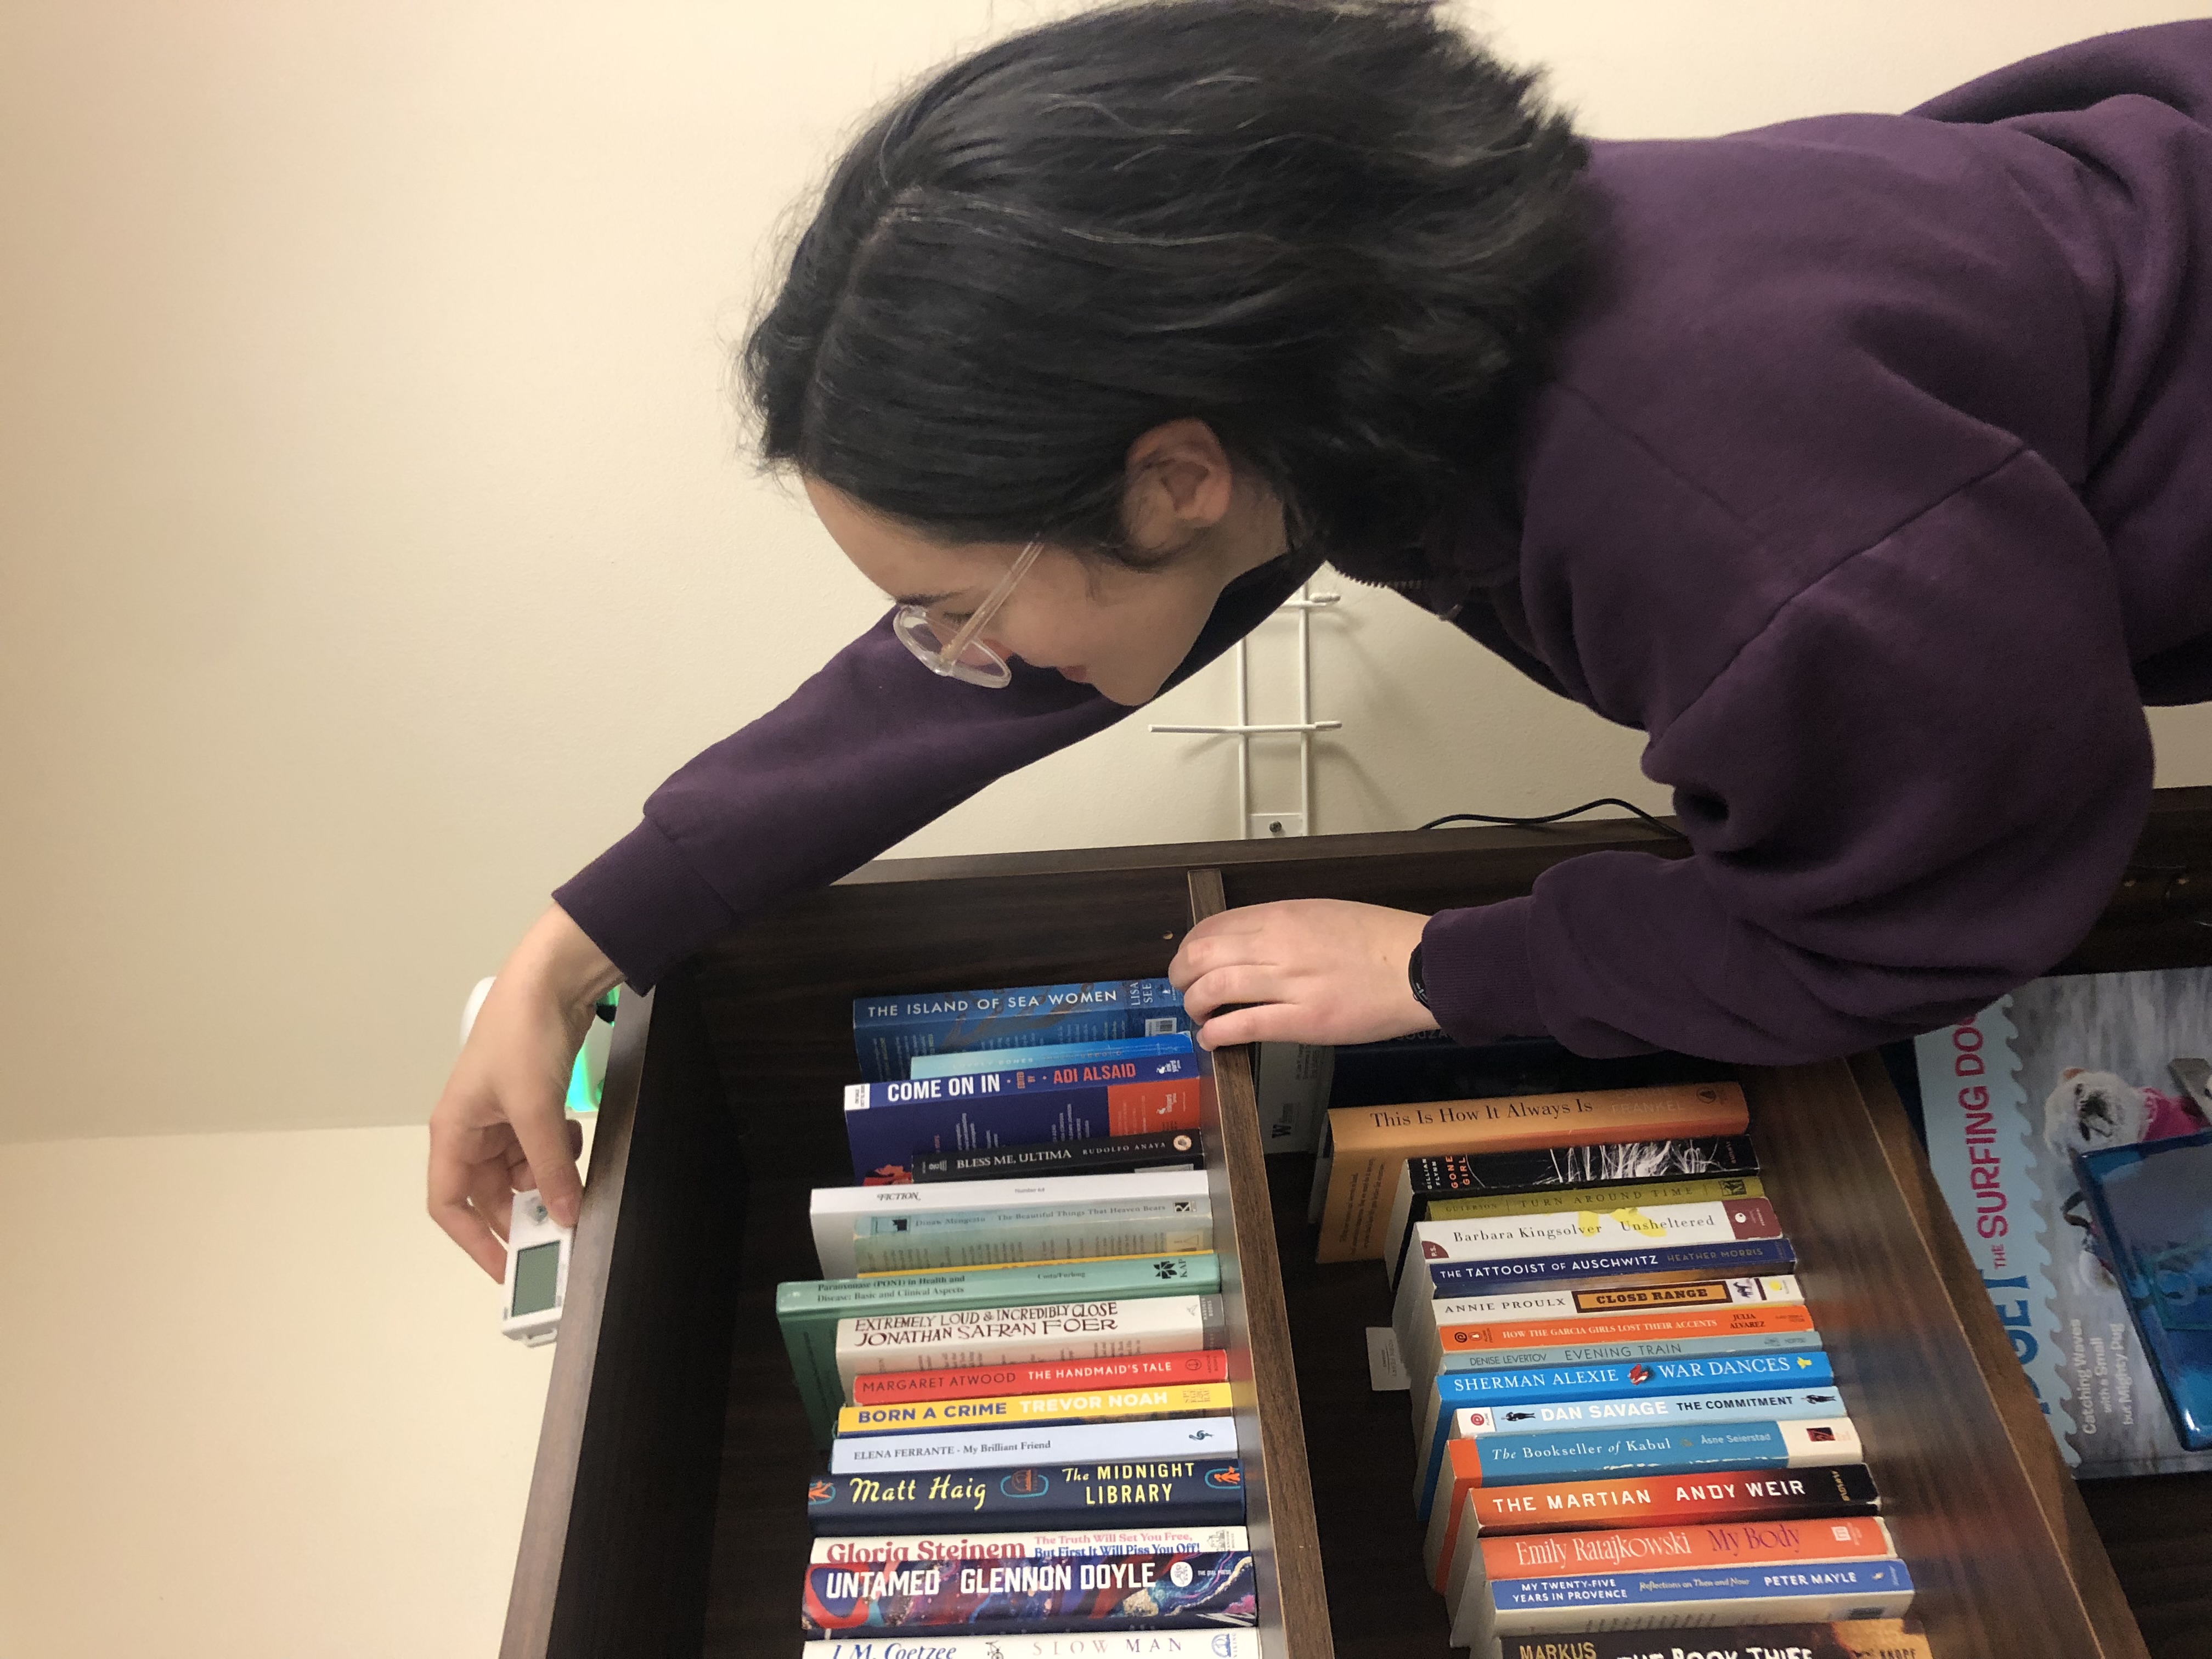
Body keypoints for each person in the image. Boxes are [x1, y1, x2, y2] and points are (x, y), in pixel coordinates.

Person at [428, 1, 2212, 1275]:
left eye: (954, 605)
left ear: (1174, 476)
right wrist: (586, 935)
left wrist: (1452, 971)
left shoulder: (1755, 533)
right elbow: (978, 681)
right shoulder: (1373, 332)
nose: (942, 651)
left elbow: (1923, 921)